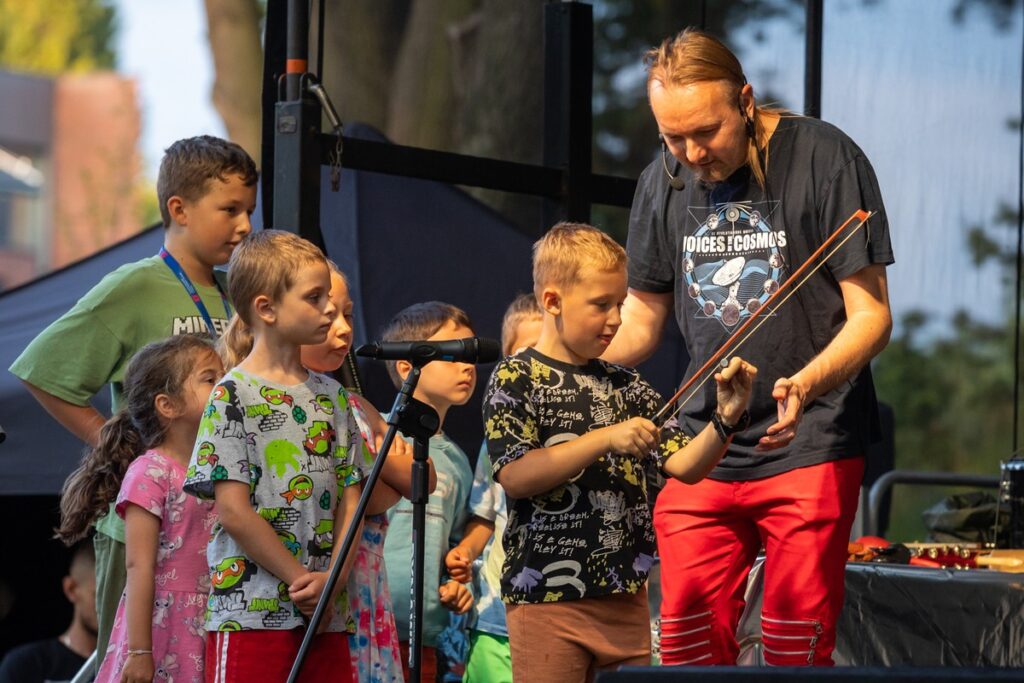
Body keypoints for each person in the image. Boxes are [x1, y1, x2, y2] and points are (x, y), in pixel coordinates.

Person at [604, 28, 894, 666]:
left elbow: (872, 316)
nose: (690, 153)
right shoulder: (664, 180)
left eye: (705, 132)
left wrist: (808, 381)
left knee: (795, 643)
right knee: (682, 641)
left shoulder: (825, 156)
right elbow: (643, 320)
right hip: (703, 444)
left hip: (809, 440)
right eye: (671, 137)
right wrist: (562, 356)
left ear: (745, 99)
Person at [9, 135, 257, 669]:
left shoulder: (235, 294)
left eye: (249, 212)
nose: (244, 226)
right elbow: (42, 370)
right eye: (230, 210)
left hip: (219, 522)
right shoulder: (135, 285)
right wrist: (117, 446)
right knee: (124, 661)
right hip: (145, 522)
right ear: (179, 209)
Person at [483, 223, 756, 683]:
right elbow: (515, 475)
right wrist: (605, 438)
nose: (615, 320)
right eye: (600, 305)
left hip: (624, 597)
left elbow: (686, 465)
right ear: (553, 302)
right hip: (548, 600)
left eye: (620, 305)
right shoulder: (515, 377)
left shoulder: (626, 383)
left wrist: (725, 420)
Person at [182, 230, 362, 682]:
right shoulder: (231, 395)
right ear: (266, 308)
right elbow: (233, 511)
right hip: (251, 616)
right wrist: (303, 579)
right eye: (314, 297)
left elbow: (352, 498)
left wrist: (333, 581)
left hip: (325, 615)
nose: (328, 309)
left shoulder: (334, 397)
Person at [52, 335, 223, 683]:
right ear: (168, 405)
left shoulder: (218, 469)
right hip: (165, 625)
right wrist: (140, 652)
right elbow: (139, 566)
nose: (225, 388)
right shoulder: (151, 471)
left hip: (213, 616)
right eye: (210, 379)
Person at [444, 293, 542, 683]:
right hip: (496, 618)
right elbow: (486, 514)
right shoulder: (497, 439)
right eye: (528, 353)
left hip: (557, 614)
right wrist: (464, 554)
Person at [379, 302, 477, 682]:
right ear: (407, 366)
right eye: (453, 354)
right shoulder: (378, 442)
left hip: (426, 638)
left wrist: (456, 579)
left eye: (470, 355)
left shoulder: (456, 460)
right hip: (368, 626)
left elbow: (454, 545)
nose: (468, 365)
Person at [0, 542, 97, 683]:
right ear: (71, 589)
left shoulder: (132, 668)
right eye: (99, 596)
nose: (113, 608)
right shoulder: (26, 665)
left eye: (123, 598)